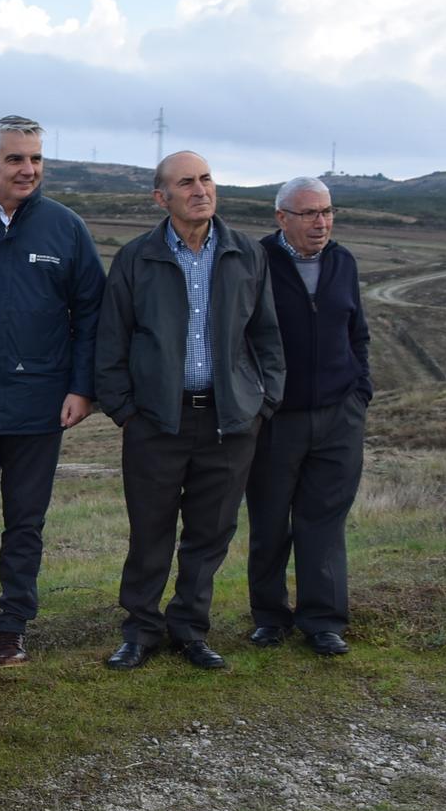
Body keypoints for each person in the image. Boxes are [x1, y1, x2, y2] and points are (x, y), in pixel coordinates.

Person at [95, 151, 285, 671]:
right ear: (162, 198)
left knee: (210, 532)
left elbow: (266, 335)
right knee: (150, 530)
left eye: (206, 179)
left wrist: (263, 403)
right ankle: (140, 630)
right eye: (186, 182)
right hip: (156, 421)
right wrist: (126, 411)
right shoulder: (137, 257)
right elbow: (111, 341)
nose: (201, 189)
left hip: (230, 422)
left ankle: (190, 629)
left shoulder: (246, 253)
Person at [0, 115, 105, 670]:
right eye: (15, 159)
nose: (28, 169)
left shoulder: (66, 228)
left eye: (35, 159)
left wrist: (83, 389)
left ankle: (13, 630)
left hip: (39, 406)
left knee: (26, 523)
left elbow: (92, 314)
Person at [245, 177, 370, 657]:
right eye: (309, 213)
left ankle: (323, 622)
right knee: (271, 521)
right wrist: (258, 400)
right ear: (281, 218)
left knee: (324, 522)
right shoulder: (256, 262)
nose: (321, 223)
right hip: (277, 418)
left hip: (339, 416)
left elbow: (357, 332)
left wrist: (361, 392)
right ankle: (269, 617)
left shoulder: (343, 261)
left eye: (327, 212)